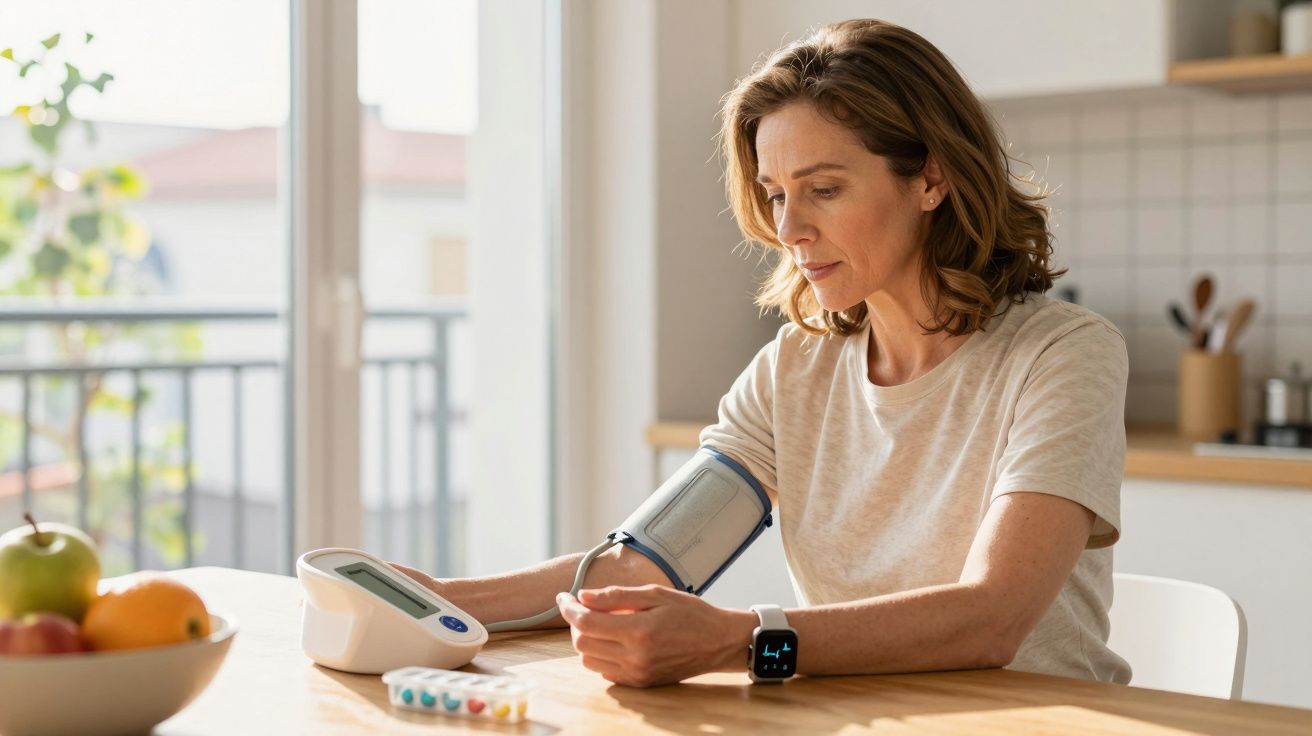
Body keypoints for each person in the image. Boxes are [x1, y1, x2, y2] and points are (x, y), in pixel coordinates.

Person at [392, 18, 1131, 689]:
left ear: (930, 178)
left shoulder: (1063, 355)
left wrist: (737, 641)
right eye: (776, 194)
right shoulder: (794, 370)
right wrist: (434, 601)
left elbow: (991, 618)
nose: (790, 228)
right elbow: (645, 560)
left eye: (825, 189)